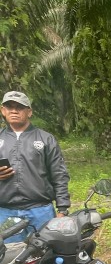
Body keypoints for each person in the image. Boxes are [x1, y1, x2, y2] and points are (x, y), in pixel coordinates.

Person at [0, 91, 71, 243]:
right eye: (9, 107)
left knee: (45, 253)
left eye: (20, 107)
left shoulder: (46, 139)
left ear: (29, 112)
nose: (14, 111)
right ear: (3, 110)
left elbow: (59, 175)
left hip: (40, 211)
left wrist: (62, 209)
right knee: (10, 255)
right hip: (5, 212)